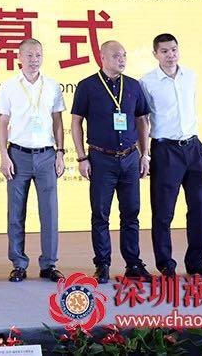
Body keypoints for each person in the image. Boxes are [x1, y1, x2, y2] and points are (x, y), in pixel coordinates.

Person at [70, 40, 152, 284]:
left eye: (124, 55)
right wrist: (82, 157)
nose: (122, 59)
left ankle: (133, 263)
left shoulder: (134, 86)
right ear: (102, 58)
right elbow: (76, 122)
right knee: (100, 214)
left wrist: (145, 154)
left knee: (131, 213)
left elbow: (142, 121)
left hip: (130, 158)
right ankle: (102, 264)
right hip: (100, 159)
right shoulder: (87, 86)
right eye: (116, 55)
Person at [140, 34, 202, 278]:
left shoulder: (190, 76)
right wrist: (145, 154)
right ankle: (165, 263)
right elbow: (142, 120)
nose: (170, 55)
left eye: (173, 49)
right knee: (163, 211)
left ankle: (196, 262)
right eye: (164, 51)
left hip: (193, 148)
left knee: (199, 206)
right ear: (155, 54)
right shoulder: (147, 82)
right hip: (165, 150)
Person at [0, 38, 66, 283]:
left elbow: (57, 121)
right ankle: (18, 263)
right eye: (29, 55)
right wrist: (3, 154)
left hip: (47, 155)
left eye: (38, 54)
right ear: (19, 57)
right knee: (16, 212)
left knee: (49, 212)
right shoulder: (8, 86)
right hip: (18, 155)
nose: (34, 59)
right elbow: (2, 122)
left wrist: (60, 152)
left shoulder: (53, 85)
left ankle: (49, 264)